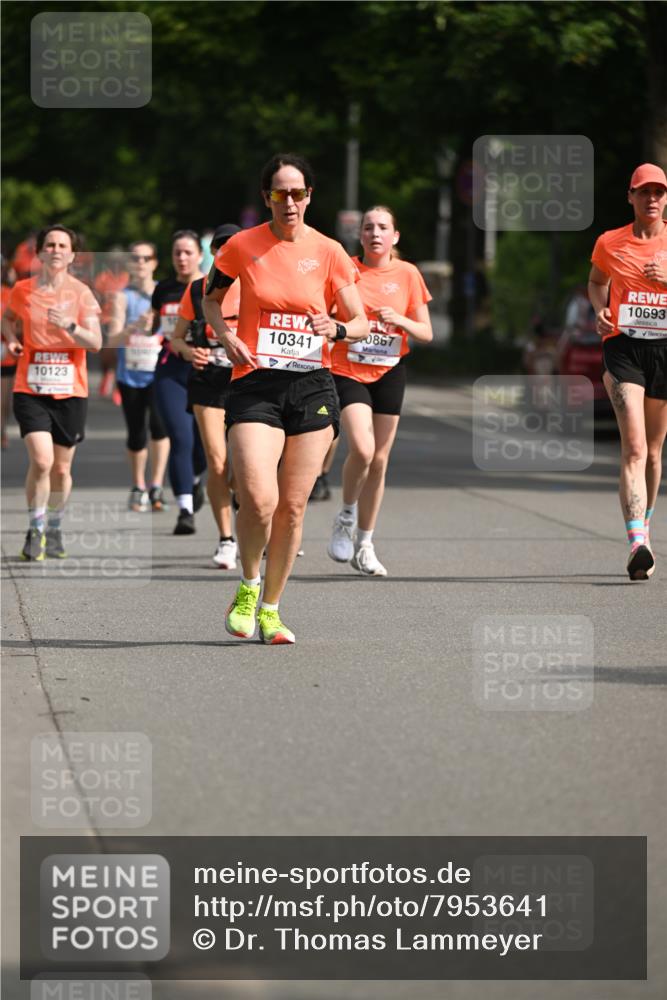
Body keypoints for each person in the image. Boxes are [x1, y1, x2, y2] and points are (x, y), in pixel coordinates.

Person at [203, 152, 368, 644]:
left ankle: (271, 608)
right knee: (257, 498)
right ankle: (249, 587)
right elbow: (211, 298)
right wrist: (224, 336)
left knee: (292, 507)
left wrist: (336, 327)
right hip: (255, 381)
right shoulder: (240, 246)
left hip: (312, 385)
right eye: (280, 193)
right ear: (267, 198)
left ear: (310, 196)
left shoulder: (331, 251)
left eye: (298, 193)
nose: (289, 201)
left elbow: (359, 322)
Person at [327, 206, 432, 575]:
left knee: (381, 461)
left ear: (395, 237)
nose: (375, 233)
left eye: (383, 227)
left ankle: (366, 543)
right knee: (363, 448)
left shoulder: (407, 274)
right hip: (348, 369)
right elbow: (326, 314)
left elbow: (426, 332)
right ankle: (346, 516)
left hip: (390, 370)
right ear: (361, 236)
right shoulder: (346, 270)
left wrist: (398, 318)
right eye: (368, 227)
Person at [0, 224, 102, 560]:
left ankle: (55, 525)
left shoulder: (82, 293)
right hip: (30, 387)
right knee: (41, 461)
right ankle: (36, 527)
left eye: (63, 245)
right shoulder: (23, 290)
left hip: (71, 390)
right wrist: (12, 339)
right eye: (50, 245)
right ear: (41, 252)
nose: (56, 250)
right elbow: (8, 318)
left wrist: (70, 326)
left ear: (72, 255)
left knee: (61, 469)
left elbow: (96, 343)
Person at [588, 162, 667, 581]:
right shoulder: (610, 242)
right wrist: (599, 309)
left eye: (658, 192)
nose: (651, 199)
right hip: (623, 349)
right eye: (644, 192)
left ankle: (646, 527)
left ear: (666, 198)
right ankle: (636, 540)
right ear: (631, 197)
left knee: (655, 452)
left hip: (665, 350)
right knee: (634, 448)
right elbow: (597, 281)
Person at [171, 224, 241, 568]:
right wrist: (188, 352)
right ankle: (227, 539)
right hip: (208, 381)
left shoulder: (258, 286)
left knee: (244, 466)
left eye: (234, 245)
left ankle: (254, 519)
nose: (228, 250)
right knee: (217, 462)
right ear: (213, 252)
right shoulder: (199, 288)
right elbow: (176, 338)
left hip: (248, 382)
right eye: (221, 247)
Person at [106, 241, 169, 512]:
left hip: (159, 373)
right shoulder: (122, 296)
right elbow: (112, 339)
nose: (141, 263)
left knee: (160, 427)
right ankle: (138, 485)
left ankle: (156, 484)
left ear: (154, 263)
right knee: (136, 433)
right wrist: (134, 326)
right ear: (130, 264)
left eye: (146, 258)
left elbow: (175, 330)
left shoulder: (164, 293)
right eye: (136, 258)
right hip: (130, 374)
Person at [151, 230, 207, 534]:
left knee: (202, 446)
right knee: (180, 437)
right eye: (177, 253)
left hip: (205, 370)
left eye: (188, 252)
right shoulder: (164, 290)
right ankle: (185, 510)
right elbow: (154, 323)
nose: (182, 258)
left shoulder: (210, 288)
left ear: (200, 255)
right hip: (171, 370)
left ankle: (196, 478)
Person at [1, 254, 17, 448]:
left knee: (3, 401)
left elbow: (20, 326)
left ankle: (1, 430)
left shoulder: (10, 293)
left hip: (4, 354)